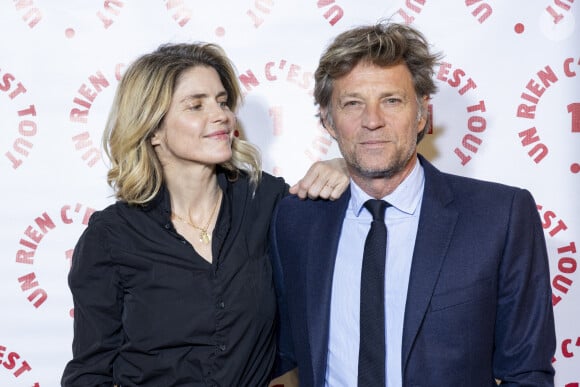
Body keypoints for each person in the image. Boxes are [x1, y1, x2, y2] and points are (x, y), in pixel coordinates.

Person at [270, 21, 556, 386]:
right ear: (327, 119)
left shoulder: (500, 217)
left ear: (422, 112)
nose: (372, 121)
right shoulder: (296, 220)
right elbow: (284, 354)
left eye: (391, 100)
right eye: (352, 103)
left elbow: (526, 373)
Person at [61, 42, 348, 387]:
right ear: (153, 129)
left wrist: (345, 165)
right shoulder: (111, 236)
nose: (222, 116)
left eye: (222, 101)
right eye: (195, 105)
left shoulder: (266, 201)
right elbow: (90, 372)